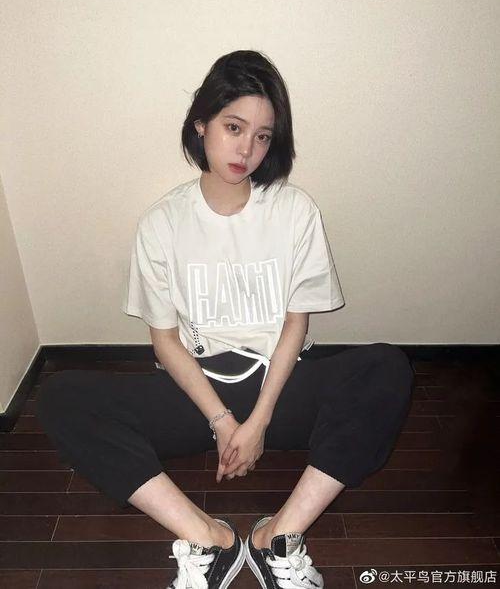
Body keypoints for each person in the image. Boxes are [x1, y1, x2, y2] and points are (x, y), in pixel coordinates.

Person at [36, 50, 415, 589]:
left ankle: (278, 535)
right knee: (62, 396)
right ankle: (207, 537)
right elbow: (165, 341)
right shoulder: (163, 223)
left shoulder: (294, 211)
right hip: (198, 392)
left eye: (262, 136)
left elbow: (296, 325)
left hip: (279, 388)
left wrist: (257, 422)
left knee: (387, 367)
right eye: (233, 127)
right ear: (202, 124)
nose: (245, 149)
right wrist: (222, 421)